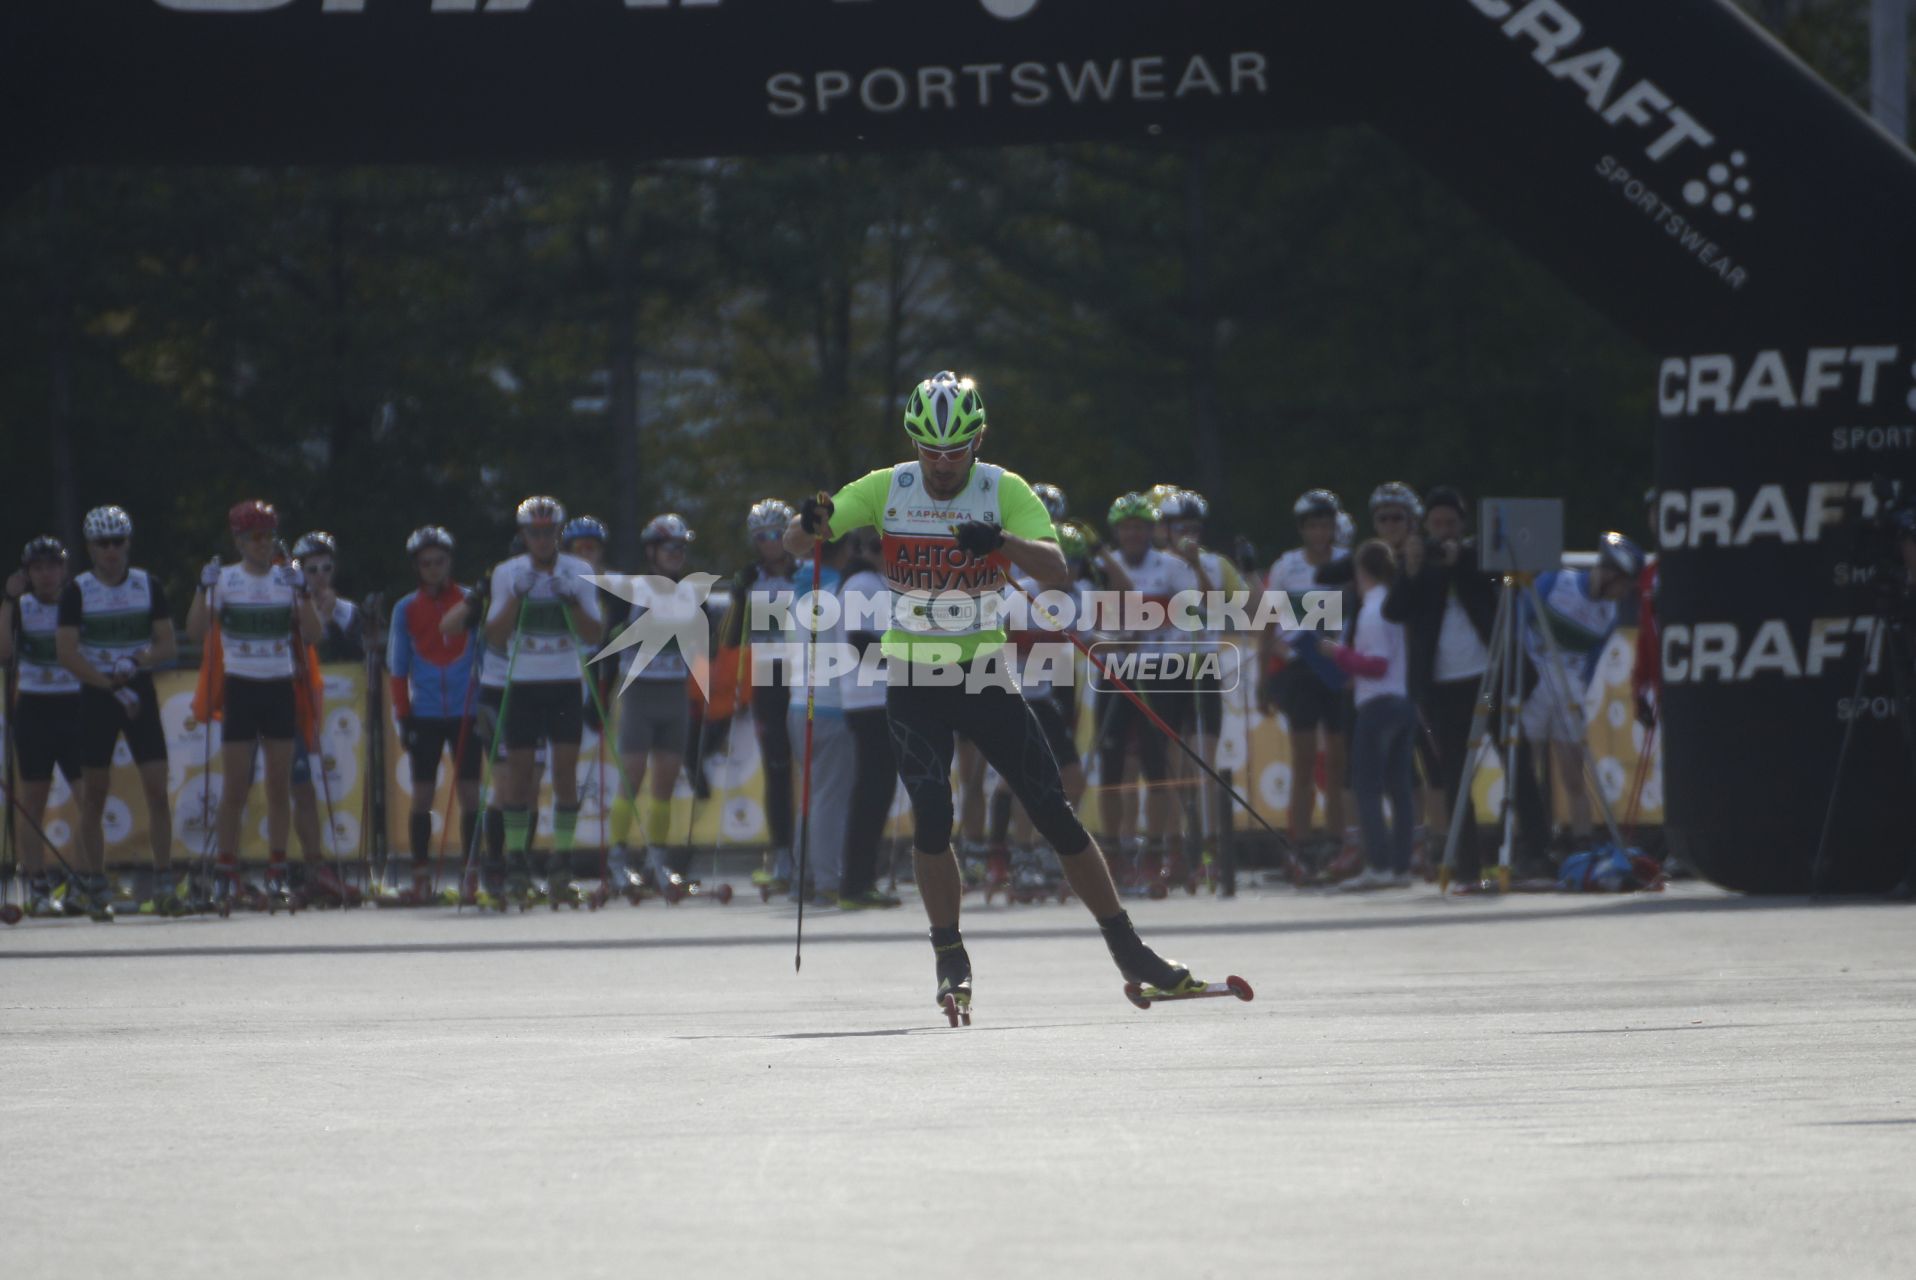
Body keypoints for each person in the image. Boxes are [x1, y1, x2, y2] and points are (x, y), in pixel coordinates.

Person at [785, 370, 1211, 1021]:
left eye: (956, 452)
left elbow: (1056, 566)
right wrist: (806, 523)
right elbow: (798, 540)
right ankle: (950, 954)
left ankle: (1131, 952)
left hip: (985, 672)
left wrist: (1001, 541)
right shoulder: (887, 487)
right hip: (914, 677)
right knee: (932, 812)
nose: (943, 465)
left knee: (1055, 812)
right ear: (914, 444)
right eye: (931, 452)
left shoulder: (1002, 488)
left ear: (977, 441)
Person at [186, 500, 327, 907]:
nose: (262, 545)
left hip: (279, 686)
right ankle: (226, 870)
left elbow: (313, 634)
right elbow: (195, 631)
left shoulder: (287, 578)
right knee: (234, 786)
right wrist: (202, 589)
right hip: (241, 687)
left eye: (267, 537)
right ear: (239, 541)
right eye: (254, 538)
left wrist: (302, 593)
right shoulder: (226, 580)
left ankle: (277, 868)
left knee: (279, 786)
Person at [52, 508, 182, 915]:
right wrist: (107, 682)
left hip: (136, 687)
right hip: (97, 692)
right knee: (94, 795)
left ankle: (163, 881)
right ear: (90, 548)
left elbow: (167, 645)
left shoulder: (147, 585)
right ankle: (94, 882)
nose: (111, 551)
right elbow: (66, 653)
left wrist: (137, 661)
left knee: (157, 790)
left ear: (128, 543)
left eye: (118, 542)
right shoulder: (78, 590)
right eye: (102, 544)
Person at [483, 496, 604, 902]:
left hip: (565, 682)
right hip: (522, 684)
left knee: (564, 773)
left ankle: (561, 864)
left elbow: (593, 634)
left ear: (558, 534)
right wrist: (517, 597)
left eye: (548, 532)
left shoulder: (579, 570)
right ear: (523, 535)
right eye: (533, 533)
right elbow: (495, 636)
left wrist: (570, 597)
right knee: (519, 776)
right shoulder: (507, 573)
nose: (541, 540)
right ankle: (517, 862)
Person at [1383, 486, 1497, 882]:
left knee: (1517, 758)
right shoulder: (1420, 560)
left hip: (1487, 675)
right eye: (1437, 525)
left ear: (1463, 525)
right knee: (1452, 774)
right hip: (1441, 685)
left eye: (1451, 524)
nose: (1444, 532)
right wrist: (1412, 570)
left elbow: (1494, 578)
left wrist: (1459, 558)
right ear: (1425, 527)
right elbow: (1394, 610)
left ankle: (1533, 851)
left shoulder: (1476, 554)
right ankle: (1467, 864)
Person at [1514, 531, 1642, 865]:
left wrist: (1581, 693)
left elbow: (1594, 661)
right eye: (1623, 584)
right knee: (1526, 761)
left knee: (1573, 769)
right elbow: (1520, 617)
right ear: (1610, 573)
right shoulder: (1558, 580)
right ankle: (1526, 838)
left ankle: (1581, 842)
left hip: (1570, 684)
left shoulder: (1610, 613)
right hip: (1536, 675)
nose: (1624, 593)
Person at [1095, 490, 1200, 892]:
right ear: (1117, 532)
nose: (1133, 535)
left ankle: (1156, 852)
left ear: (1150, 530)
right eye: (1126, 528)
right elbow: (1085, 622)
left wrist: (1150, 624)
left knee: (1159, 767)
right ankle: (1114, 854)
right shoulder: (1103, 566)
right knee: (1112, 767)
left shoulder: (1170, 566)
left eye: (1140, 527)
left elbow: (1190, 615)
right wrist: (1114, 639)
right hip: (1116, 672)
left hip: (1160, 672)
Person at [1157, 487, 1249, 889]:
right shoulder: (1155, 564)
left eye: (1194, 528)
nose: (1188, 536)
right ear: (1165, 529)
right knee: (1171, 766)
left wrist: (1196, 568)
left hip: (1202, 665)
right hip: (1164, 666)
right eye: (1181, 528)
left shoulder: (1214, 564)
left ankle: (1211, 850)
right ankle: (1174, 849)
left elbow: (1231, 609)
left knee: (1205, 762)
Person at [386, 525, 479, 902]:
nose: (434, 570)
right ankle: (421, 875)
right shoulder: (405, 608)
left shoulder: (471, 600)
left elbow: (486, 651)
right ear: (417, 567)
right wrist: (403, 716)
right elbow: (397, 667)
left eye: (440, 562)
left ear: (449, 563)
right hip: (424, 712)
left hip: (466, 709)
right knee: (422, 794)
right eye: (426, 564)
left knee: (471, 793)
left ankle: (471, 873)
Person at [3, 538, 95, 917]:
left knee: (89, 798)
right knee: (34, 800)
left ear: (64, 569)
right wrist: (8, 601)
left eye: (52, 566)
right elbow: (5, 653)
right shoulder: (21, 607)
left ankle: (87, 878)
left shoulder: (78, 602)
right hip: (36, 708)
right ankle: (37, 882)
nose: (46, 574)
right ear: (27, 573)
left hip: (75, 705)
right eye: (38, 568)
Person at [608, 513, 699, 894]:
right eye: (669, 548)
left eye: (681, 548)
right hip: (640, 691)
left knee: (665, 781)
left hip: (674, 692)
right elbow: (607, 638)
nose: (677, 554)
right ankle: (616, 857)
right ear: (652, 551)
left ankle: (656, 859)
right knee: (632, 778)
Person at [1261, 489, 1350, 863]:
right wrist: (1262, 677)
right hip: (1299, 667)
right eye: (1312, 525)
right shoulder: (1286, 566)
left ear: (1333, 527)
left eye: (1325, 524)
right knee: (1303, 758)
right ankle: (1298, 842)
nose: (1319, 532)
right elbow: (1267, 621)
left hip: (1339, 667)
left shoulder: (1348, 561)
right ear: (1302, 529)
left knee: (1338, 760)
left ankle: (1339, 839)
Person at [1324, 540, 1415, 889]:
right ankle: (1401, 866)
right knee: (1400, 787)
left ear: (1362, 572)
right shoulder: (1392, 604)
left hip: (1377, 704)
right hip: (1401, 700)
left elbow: (1376, 665)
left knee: (1367, 787)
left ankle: (1379, 864)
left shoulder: (1373, 609)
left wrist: (1339, 654)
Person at [726, 499, 799, 895]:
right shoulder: (752, 578)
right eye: (762, 537)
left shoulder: (807, 573)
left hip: (805, 677)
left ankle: (811, 850)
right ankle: (782, 852)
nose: (770, 544)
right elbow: (731, 638)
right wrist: (740, 596)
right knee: (776, 767)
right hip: (768, 680)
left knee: (810, 768)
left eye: (776, 535)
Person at [836, 529, 902, 909]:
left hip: (883, 698)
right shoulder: (861, 583)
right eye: (878, 547)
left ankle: (863, 878)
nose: (884, 554)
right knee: (871, 793)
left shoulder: (880, 582)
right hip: (868, 699)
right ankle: (856, 882)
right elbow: (861, 645)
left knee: (878, 792)